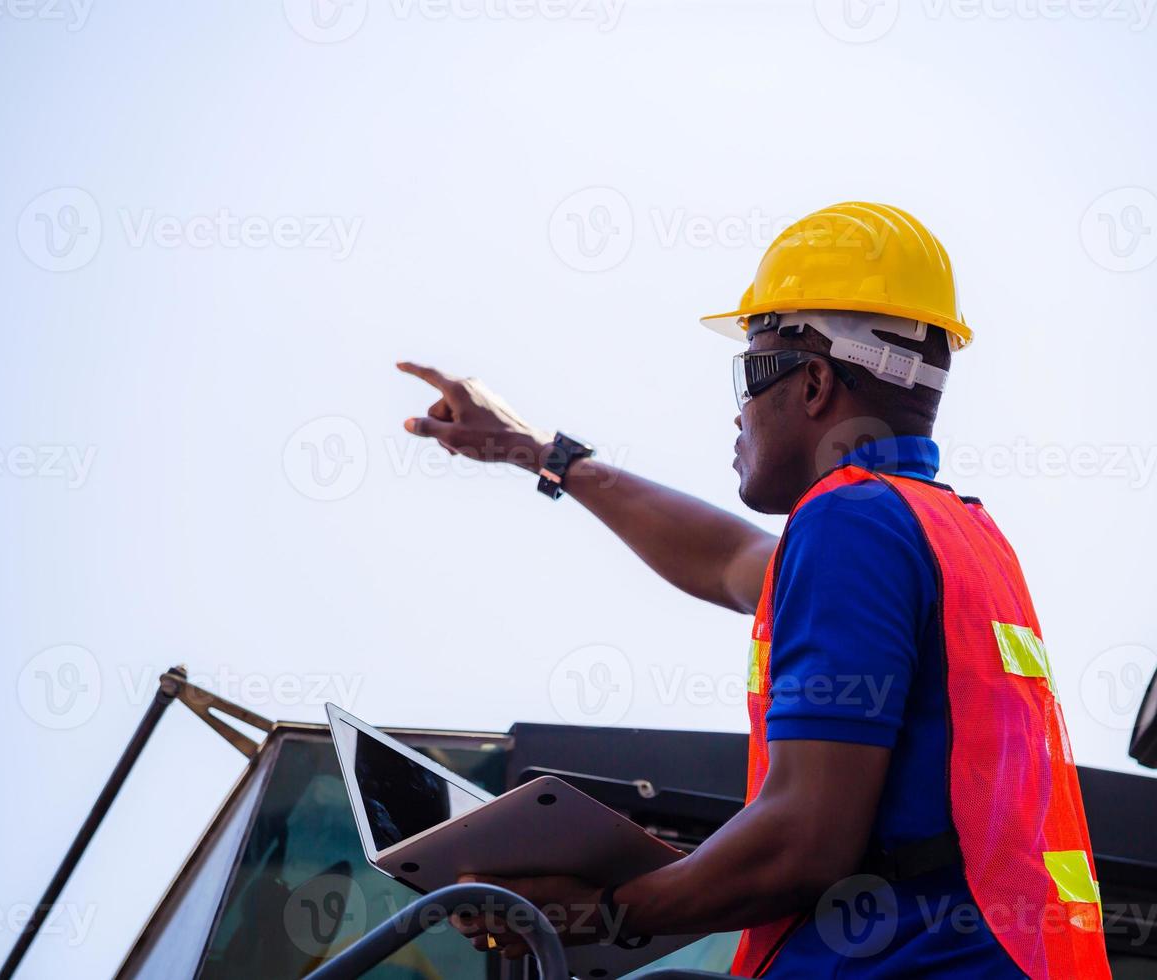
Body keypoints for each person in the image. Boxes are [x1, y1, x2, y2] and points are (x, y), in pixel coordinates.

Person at [397, 202, 1111, 978]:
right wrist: (538, 452)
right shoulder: (944, 531)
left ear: (810, 384)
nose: (736, 413)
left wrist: (599, 913)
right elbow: (729, 560)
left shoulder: (849, 523)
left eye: (747, 372)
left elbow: (806, 838)